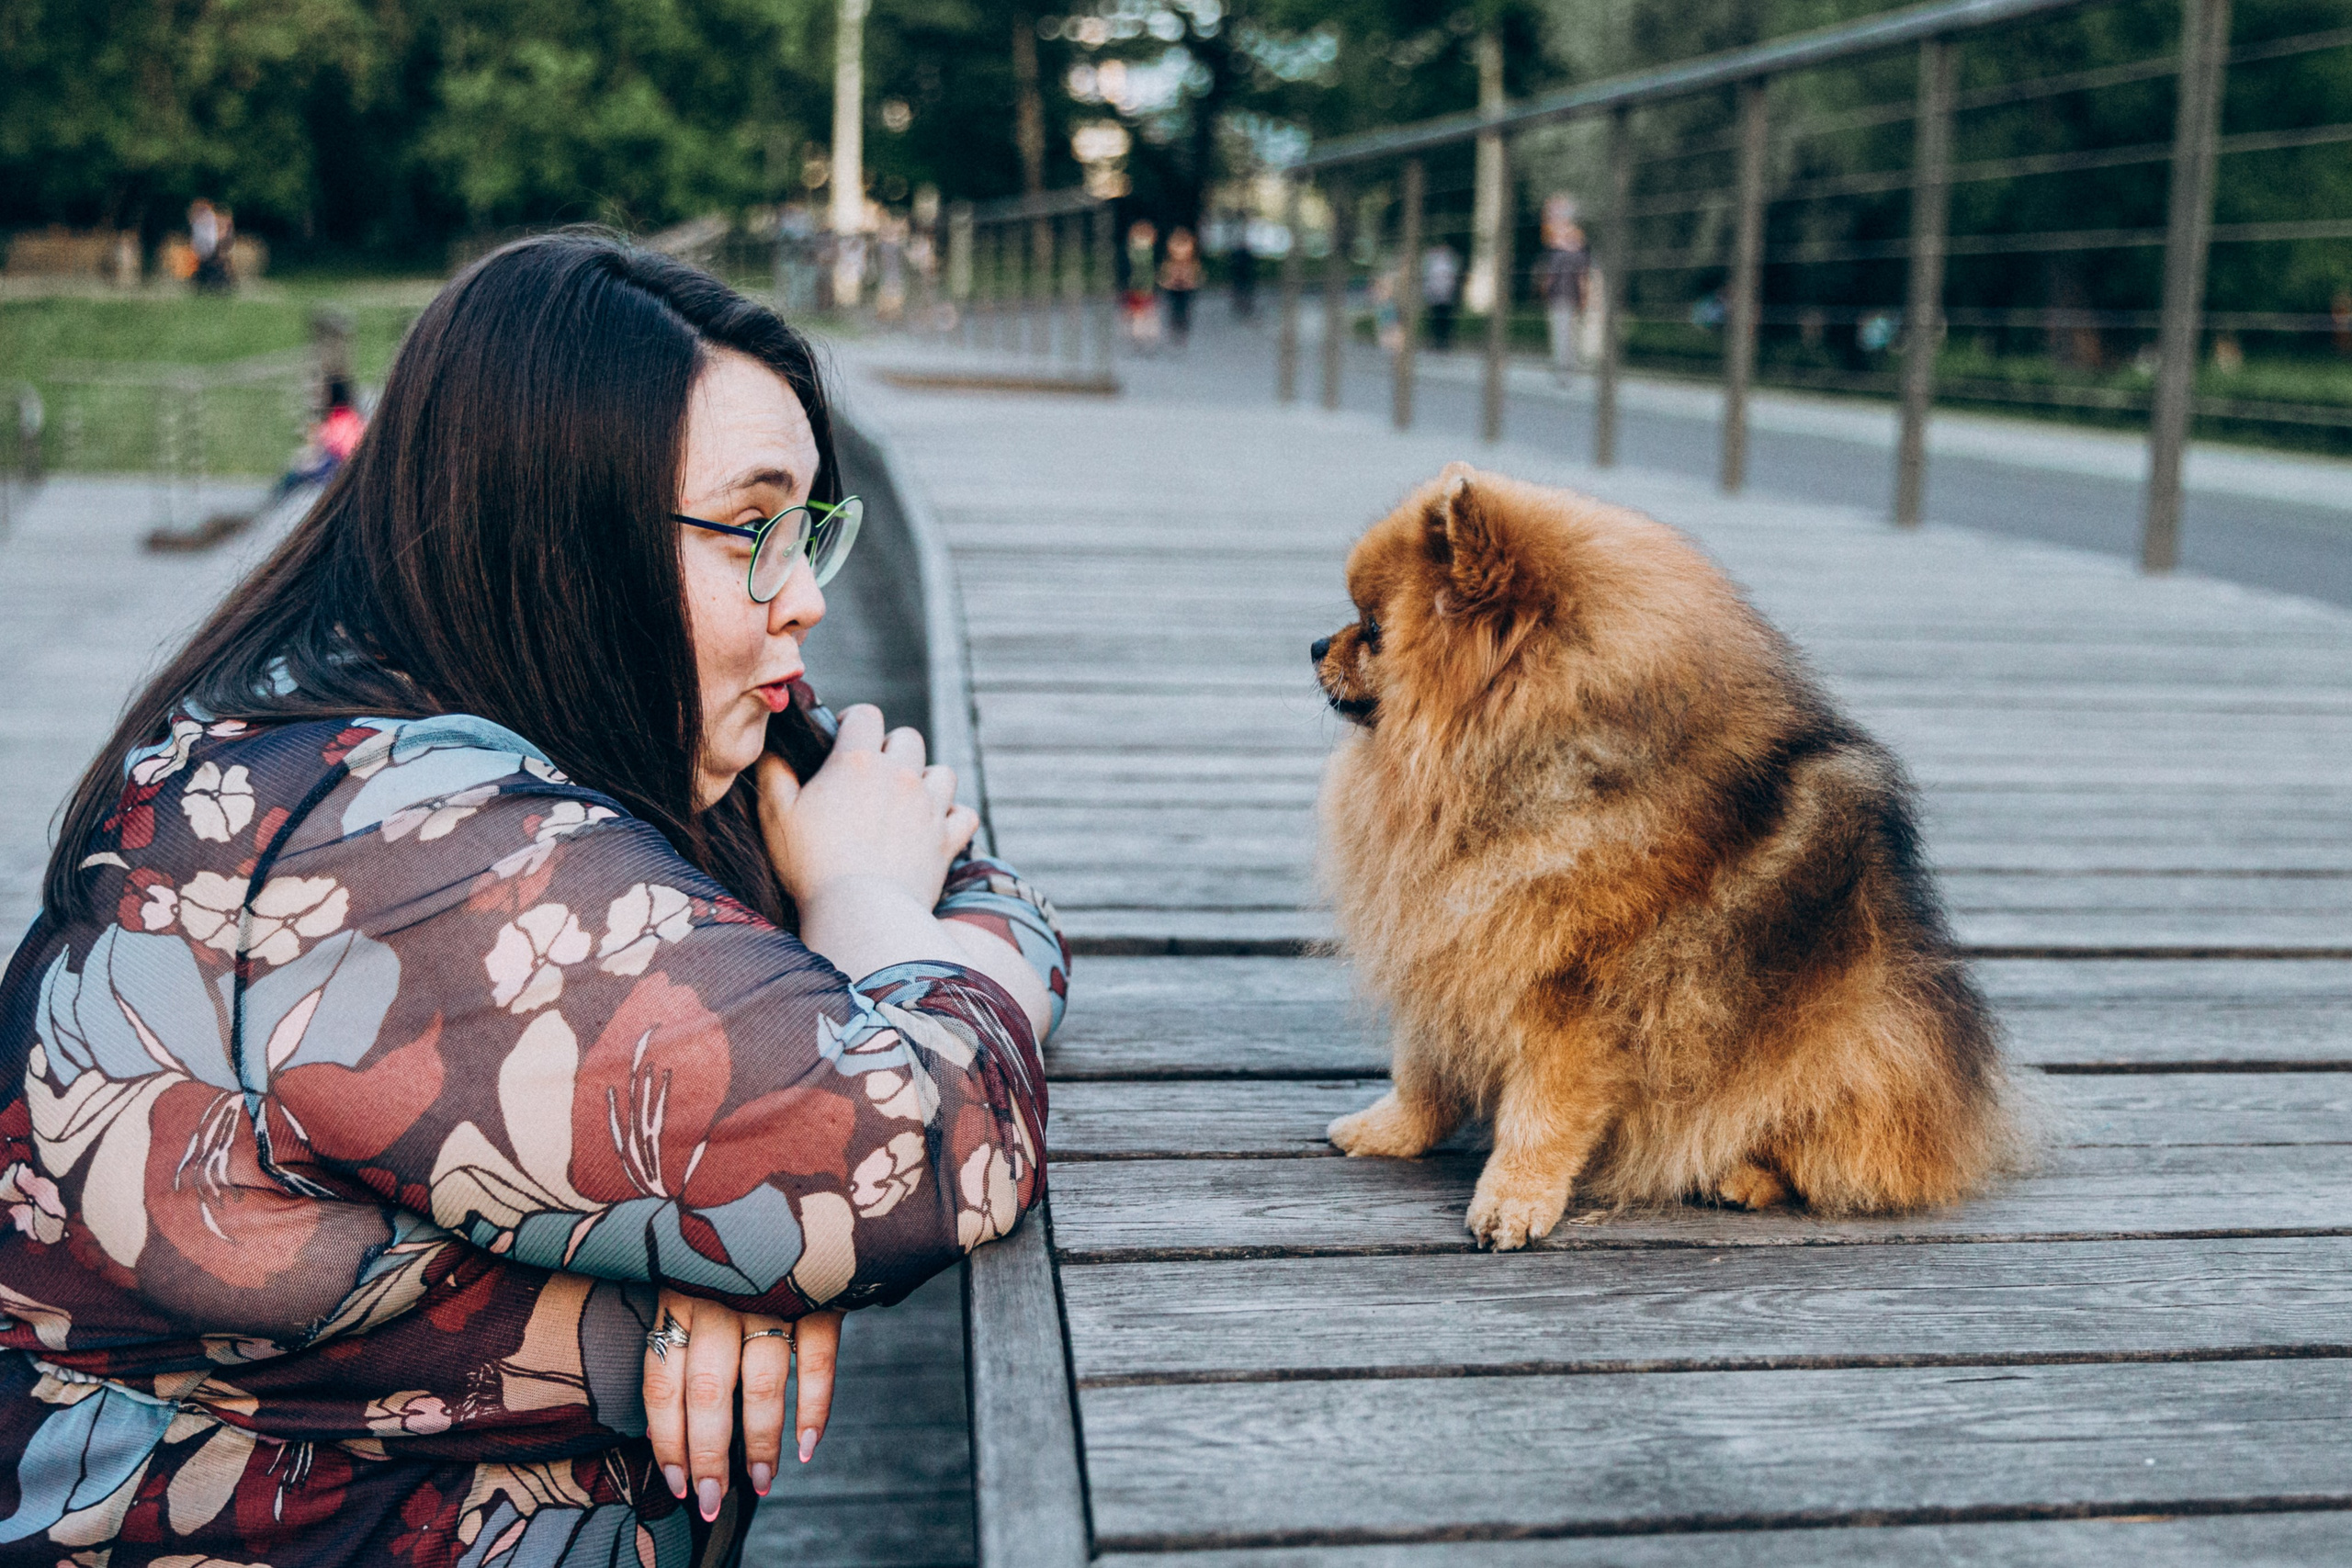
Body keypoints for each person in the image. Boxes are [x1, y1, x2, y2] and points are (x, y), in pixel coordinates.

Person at [0, 232, 1067, 1565]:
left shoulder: (545, 735)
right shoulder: (391, 846)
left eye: (809, 529)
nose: (802, 599)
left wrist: (706, 1220)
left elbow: (967, 872)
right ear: (563, 533)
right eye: (751, 527)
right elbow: (921, 1143)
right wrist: (847, 912)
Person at [1534, 196, 1591, 378]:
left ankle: (1562, 367)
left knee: (1560, 333)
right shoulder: (1579, 256)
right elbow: (1583, 279)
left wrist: (1544, 292)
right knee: (1572, 332)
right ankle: (1571, 364)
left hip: (1559, 296)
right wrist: (1584, 297)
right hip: (1574, 297)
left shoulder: (1557, 255)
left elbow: (1549, 278)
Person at [1159, 227, 1203, 348]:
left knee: (1183, 311)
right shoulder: (1169, 263)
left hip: (1185, 289)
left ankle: (1181, 333)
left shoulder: (1191, 263)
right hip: (1174, 289)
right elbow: (1164, 277)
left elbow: (1196, 277)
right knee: (1174, 311)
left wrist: (1191, 281)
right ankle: (1175, 332)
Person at [1124, 220, 1161, 352]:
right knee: (1139, 314)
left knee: (1147, 313)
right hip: (1136, 286)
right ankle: (1139, 336)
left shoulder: (1150, 252)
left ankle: (1144, 336)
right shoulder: (1132, 252)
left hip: (1147, 286)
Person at [1421, 241, 1462, 352]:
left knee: (1445, 321)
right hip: (1435, 297)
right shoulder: (1432, 260)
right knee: (1435, 321)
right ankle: (1436, 342)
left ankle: (1444, 342)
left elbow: (1453, 278)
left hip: (1446, 297)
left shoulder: (1450, 261)